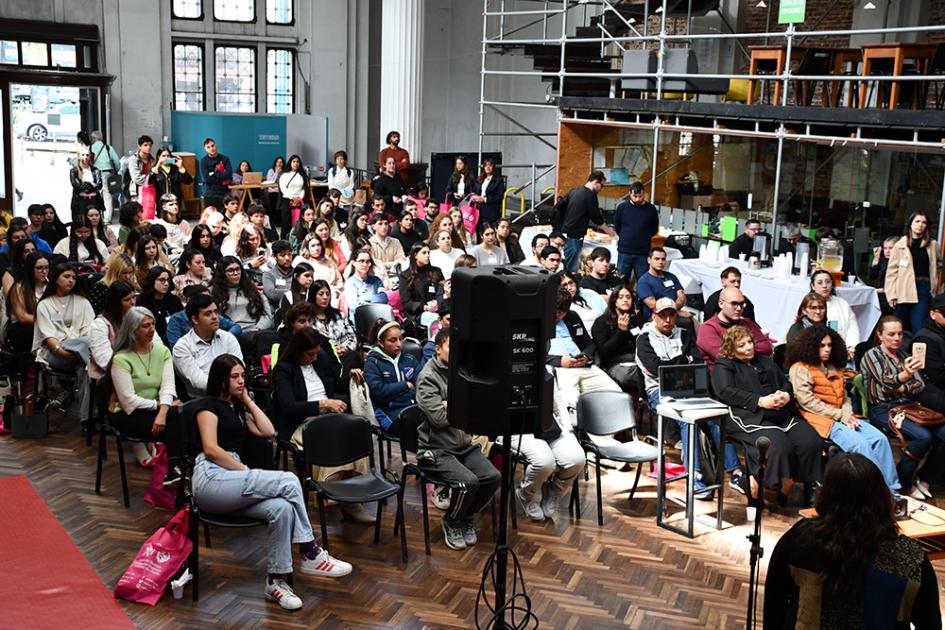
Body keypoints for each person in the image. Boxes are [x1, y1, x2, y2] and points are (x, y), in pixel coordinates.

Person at [192, 354, 352, 612]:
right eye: (234, 377)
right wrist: (244, 471)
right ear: (220, 379)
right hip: (211, 477)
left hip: (232, 481)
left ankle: (275, 582)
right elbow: (211, 449)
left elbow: (268, 431)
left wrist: (246, 400)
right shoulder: (207, 406)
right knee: (289, 480)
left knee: (282, 508)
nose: (241, 380)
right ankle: (310, 551)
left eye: (243, 376)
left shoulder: (236, 408)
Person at [764, 452, 941, 629]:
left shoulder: (800, 538)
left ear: (825, 495)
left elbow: (774, 609)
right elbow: (930, 624)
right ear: (883, 497)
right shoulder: (910, 559)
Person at [636, 297, 745, 498]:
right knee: (688, 420)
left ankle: (737, 472)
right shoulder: (644, 338)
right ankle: (694, 476)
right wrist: (683, 360)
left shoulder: (684, 334)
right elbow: (655, 368)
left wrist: (672, 364)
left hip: (690, 388)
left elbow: (698, 363)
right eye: (663, 315)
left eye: (672, 315)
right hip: (658, 391)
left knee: (716, 417)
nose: (668, 320)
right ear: (654, 317)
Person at [711, 325, 824, 505]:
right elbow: (725, 391)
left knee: (811, 441)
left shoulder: (764, 360)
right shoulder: (724, 365)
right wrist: (760, 401)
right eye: (741, 345)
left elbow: (785, 383)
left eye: (750, 342)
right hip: (750, 415)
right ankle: (755, 487)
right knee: (778, 446)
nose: (749, 347)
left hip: (780, 412)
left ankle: (786, 485)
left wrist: (786, 396)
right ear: (731, 348)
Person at [787, 324, 900, 492]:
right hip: (819, 420)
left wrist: (847, 413)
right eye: (822, 345)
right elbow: (807, 402)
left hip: (843, 416)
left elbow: (845, 396)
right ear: (810, 346)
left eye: (830, 345)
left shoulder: (834, 367)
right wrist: (842, 415)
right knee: (860, 445)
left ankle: (892, 490)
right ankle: (876, 492)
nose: (827, 349)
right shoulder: (800, 368)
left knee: (880, 439)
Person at [416, 328, 501, 548]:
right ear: (437, 349)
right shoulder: (427, 378)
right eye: (450, 347)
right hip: (436, 450)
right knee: (468, 483)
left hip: (463, 446)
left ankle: (466, 516)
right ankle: (452, 520)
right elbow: (438, 419)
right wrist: (460, 405)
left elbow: (478, 404)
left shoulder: (461, 372)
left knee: (492, 477)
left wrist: (450, 404)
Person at [860, 315, 943, 501]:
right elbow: (887, 382)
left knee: (944, 434)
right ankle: (903, 482)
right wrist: (906, 375)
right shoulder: (872, 355)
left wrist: (900, 387)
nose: (897, 338)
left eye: (899, 334)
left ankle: (927, 478)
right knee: (923, 437)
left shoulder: (905, 356)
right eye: (891, 334)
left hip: (908, 407)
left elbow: (920, 385)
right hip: (882, 409)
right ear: (880, 335)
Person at [107, 306, 182, 477]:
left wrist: (162, 412)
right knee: (176, 423)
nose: (152, 329)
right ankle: (175, 470)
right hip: (127, 414)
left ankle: (174, 471)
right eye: (146, 326)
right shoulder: (121, 358)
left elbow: (168, 387)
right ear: (133, 330)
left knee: (178, 417)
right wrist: (162, 406)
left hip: (157, 411)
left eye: (153, 324)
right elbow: (129, 401)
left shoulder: (162, 351)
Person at [32, 263, 96, 426]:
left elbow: (89, 330)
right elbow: (48, 335)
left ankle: (87, 419)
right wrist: (62, 351)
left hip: (81, 354)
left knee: (85, 368)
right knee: (88, 355)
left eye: (74, 277)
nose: (71, 281)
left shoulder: (82, 301)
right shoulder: (45, 304)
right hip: (56, 353)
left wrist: (78, 351)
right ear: (55, 279)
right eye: (66, 277)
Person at [172, 293, 243, 397]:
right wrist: (232, 384)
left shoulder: (228, 338)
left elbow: (240, 369)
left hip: (234, 395)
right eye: (208, 314)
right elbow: (199, 383)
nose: (215, 317)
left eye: (215, 312)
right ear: (195, 319)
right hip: (203, 399)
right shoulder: (182, 347)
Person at [886, 211, 940, 333]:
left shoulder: (933, 244)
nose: (920, 225)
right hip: (903, 288)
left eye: (924, 222)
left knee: (920, 326)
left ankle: (917, 346)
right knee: (899, 326)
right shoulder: (899, 245)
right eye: (917, 221)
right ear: (910, 223)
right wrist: (891, 295)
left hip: (924, 288)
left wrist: (933, 281)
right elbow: (892, 272)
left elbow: (938, 265)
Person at [698, 287, 773, 369]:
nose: (739, 308)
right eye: (734, 304)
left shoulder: (748, 323)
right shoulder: (708, 328)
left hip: (755, 371)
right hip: (727, 374)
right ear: (721, 304)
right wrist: (751, 348)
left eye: (742, 304)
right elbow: (723, 356)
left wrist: (739, 348)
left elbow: (767, 348)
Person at [363, 319, 419, 431]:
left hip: (414, 407)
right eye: (393, 340)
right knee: (417, 427)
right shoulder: (372, 363)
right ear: (381, 342)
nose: (399, 344)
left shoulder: (410, 359)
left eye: (400, 339)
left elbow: (421, 387)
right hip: (388, 413)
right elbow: (380, 392)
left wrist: (395, 397)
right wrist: (405, 385)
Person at [210, 256, 273, 352]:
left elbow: (266, 313)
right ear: (222, 273)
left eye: (238, 269)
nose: (235, 273)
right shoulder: (212, 292)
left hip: (256, 332)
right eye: (230, 270)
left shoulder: (251, 289)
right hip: (230, 334)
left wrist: (259, 328)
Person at [554, 170, 608, 272]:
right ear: (596, 182)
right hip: (575, 237)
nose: (601, 189)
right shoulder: (590, 195)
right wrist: (608, 230)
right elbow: (596, 217)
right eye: (602, 186)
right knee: (572, 270)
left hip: (565, 233)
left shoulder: (574, 191)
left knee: (567, 265)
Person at [591, 285, 641, 390]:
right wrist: (620, 331)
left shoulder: (638, 319)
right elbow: (604, 351)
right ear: (615, 301)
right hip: (616, 364)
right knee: (627, 376)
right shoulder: (602, 322)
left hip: (639, 361)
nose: (625, 300)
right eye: (621, 297)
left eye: (628, 297)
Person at [88, 280, 137, 381]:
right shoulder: (100, 324)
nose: (133, 302)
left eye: (134, 297)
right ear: (116, 303)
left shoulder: (138, 319)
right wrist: (133, 369)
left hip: (139, 371)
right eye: (127, 300)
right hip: (109, 377)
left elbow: (156, 344)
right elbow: (104, 360)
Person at [310, 279, 361, 376]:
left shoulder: (338, 315)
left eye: (328, 294)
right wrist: (332, 351)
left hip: (343, 354)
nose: (325, 297)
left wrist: (345, 348)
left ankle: (342, 382)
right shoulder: (309, 319)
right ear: (313, 296)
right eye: (321, 294)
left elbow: (352, 337)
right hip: (322, 357)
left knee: (353, 356)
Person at [166, 285, 242, 349]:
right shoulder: (177, 319)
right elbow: (176, 347)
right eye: (203, 298)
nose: (207, 302)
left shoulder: (214, 316)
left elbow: (236, 327)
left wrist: (225, 338)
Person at [613, 181, 659, 282]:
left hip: (642, 253)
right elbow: (617, 226)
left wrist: (644, 238)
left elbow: (654, 229)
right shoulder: (622, 208)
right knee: (621, 282)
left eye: (640, 196)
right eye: (635, 196)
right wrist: (626, 237)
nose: (637, 199)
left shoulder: (651, 209)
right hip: (624, 251)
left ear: (644, 194)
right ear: (630, 193)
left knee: (643, 282)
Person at [810, 269, 859, 361]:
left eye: (828, 282)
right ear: (813, 286)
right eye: (820, 283)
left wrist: (851, 347)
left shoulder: (842, 304)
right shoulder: (808, 305)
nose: (824, 286)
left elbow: (852, 328)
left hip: (842, 353)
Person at [5, 252, 48, 357]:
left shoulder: (50, 286)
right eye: (39, 268)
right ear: (30, 269)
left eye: (47, 268)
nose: (44, 272)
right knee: (46, 332)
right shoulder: (19, 288)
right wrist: (47, 321)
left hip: (45, 324)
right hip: (23, 328)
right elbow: (22, 317)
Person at [398, 242, 444, 339]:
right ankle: (435, 344)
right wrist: (425, 307)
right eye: (424, 253)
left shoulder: (436, 271)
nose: (427, 255)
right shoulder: (406, 276)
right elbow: (406, 303)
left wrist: (438, 302)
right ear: (415, 255)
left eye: (428, 253)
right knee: (439, 320)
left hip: (439, 306)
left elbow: (442, 291)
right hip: (420, 312)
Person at [636, 247, 693, 321]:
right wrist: (675, 311)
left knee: (692, 319)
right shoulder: (644, 281)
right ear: (649, 260)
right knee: (688, 322)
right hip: (655, 316)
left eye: (663, 259)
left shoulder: (671, 277)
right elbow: (652, 305)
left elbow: (681, 296)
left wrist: (674, 310)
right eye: (657, 259)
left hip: (673, 312)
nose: (660, 262)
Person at [913, 293, 945, 415]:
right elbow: (939, 377)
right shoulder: (924, 339)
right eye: (944, 313)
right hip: (934, 396)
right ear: (932, 314)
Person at [136, 266, 183, 345]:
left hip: (174, 340)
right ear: (152, 281)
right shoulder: (141, 302)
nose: (166, 284)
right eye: (162, 280)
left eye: (168, 280)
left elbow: (181, 323)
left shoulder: (174, 300)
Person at [343, 249, 389, 321]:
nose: (365, 265)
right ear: (354, 262)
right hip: (361, 319)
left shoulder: (376, 280)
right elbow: (355, 306)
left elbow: (384, 298)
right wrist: (375, 303)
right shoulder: (350, 283)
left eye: (367, 262)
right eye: (361, 261)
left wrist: (362, 298)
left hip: (379, 317)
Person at [89, 130, 121, 221]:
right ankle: (107, 219)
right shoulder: (108, 148)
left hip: (94, 175)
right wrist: (115, 171)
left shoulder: (89, 148)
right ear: (102, 139)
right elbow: (117, 163)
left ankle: (96, 217)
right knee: (108, 197)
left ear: (93, 139)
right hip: (107, 174)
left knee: (95, 196)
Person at [277, 262, 316, 327]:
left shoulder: (314, 294)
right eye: (306, 276)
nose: (310, 279)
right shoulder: (288, 296)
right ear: (296, 276)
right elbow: (286, 319)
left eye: (312, 276)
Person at [199, 138, 232, 212]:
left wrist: (214, 174)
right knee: (211, 216)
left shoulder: (224, 159)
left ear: (216, 145)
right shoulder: (203, 161)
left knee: (223, 215)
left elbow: (228, 174)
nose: (211, 148)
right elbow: (207, 178)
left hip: (223, 192)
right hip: (210, 192)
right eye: (208, 147)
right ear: (205, 149)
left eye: (212, 146)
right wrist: (222, 176)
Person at [69, 146, 104, 218]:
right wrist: (90, 184)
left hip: (94, 200)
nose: (85, 157)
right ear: (78, 156)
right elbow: (76, 186)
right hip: (81, 201)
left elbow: (99, 185)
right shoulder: (74, 171)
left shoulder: (95, 170)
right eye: (83, 155)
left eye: (87, 155)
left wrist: (86, 187)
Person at [368, 214, 406, 280]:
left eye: (386, 224)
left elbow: (402, 261)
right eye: (380, 224)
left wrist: (382, 264)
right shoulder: (369, 244)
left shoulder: (395, 242)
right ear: (373, 226)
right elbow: (373, 265)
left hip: (396, 277)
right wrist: (394, 263)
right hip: (378, 278)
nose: (384, 227)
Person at [469, 158, 505, 226]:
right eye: (486, 165)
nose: (488, 167)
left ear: (493, 167)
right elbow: (473, 191)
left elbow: (500, 197)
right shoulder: (479, 178)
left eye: (490, 165)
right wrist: (474, 197)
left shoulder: (498, 180)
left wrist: (485, 199)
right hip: (478, 210)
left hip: (491, 211)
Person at [869, 235, 898, 315]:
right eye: (885, 248)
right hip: (880, 296)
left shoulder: (899, 263)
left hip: (891, 298)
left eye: (891, 248)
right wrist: (876, 258)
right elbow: (871, 276)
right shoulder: (883, 261)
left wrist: (875, 290)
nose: (887, 251)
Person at [261, 240, 295, 308]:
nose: (287, 258)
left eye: (289, 254)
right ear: (274, 256)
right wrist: (295, 292)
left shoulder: (297, 273)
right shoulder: (268, 275)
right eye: (282, 255)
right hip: (276, 310)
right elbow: (272, 294)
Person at [125, 135, 154, 204]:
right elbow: (136, 178)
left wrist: (145, 176)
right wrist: (149, 178)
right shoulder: (134, 159)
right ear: (139, 146)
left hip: (151, 191)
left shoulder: (153, 159)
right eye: (145, 145)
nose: (148, 147)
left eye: (150, 145)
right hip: (137, 192)